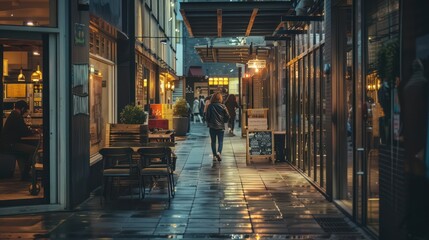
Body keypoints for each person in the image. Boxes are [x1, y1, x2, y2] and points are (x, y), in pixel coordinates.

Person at [0, 100, 37, 180]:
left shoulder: (13, 115)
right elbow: (24, 131)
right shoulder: (17, 116)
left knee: (23, 152)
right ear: (23, 108)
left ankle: (24, 174)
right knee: (34, 150)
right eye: (25, 110)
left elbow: (21, 130)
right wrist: (33, 131)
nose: (25, 112)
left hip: (7, 144)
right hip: (11, 145)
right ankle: (26, 173)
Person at [206, 92, 230, 161]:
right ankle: (219, 152)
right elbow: (227, 116)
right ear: (220, 98)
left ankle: (214, 156)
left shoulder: (210, 106)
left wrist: (209, 122)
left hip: (212, 126)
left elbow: (207, 116)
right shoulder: (223, 106)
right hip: (221, 127)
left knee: (213, 141)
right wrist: (224, 121)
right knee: (220, 141)